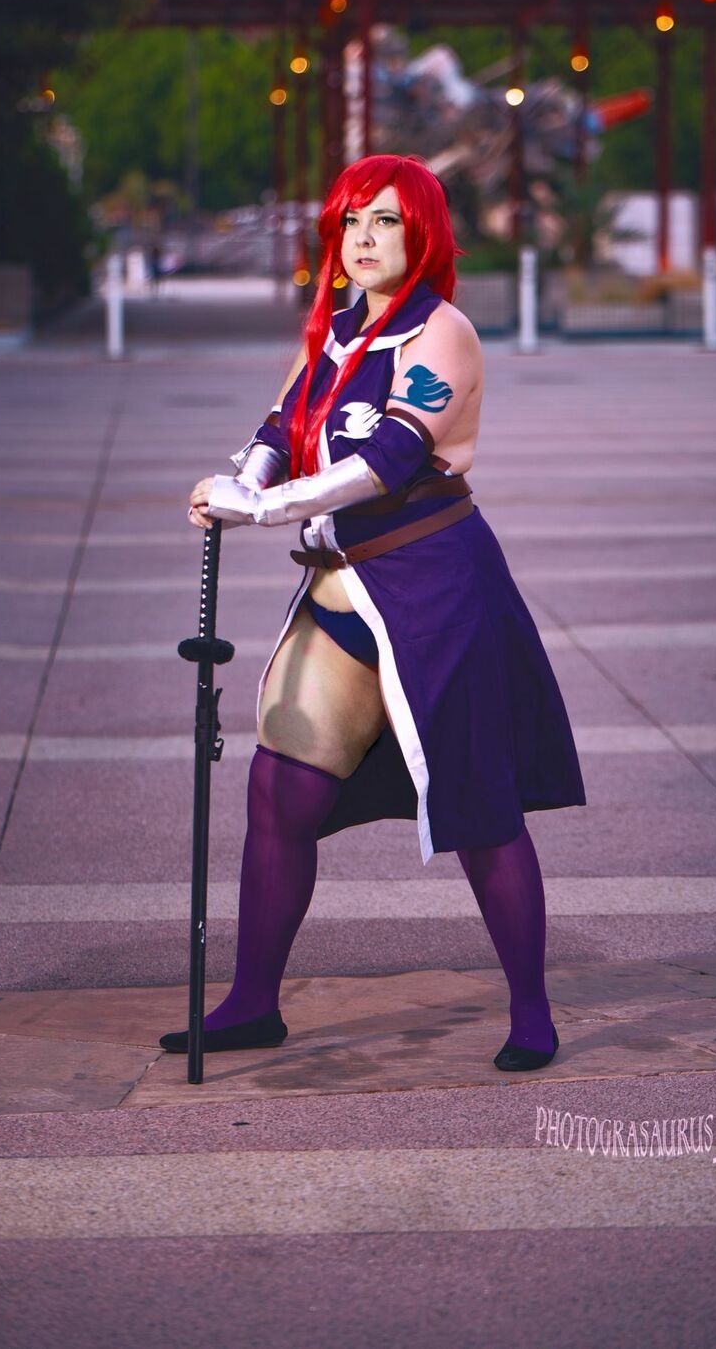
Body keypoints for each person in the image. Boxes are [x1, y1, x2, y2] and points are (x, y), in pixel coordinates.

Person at [160, 153, 585, 1072]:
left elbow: (385, 461)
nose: (362, 238)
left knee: (479, 806)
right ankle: (252, 1002)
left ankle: (531, 1010)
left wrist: (260, 508)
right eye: (350, 221)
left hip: (436, 594)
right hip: (340, 592)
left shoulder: (442, 332)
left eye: (384, 220)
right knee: (280, 791)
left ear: (421, 233)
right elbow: (281, 428)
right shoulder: (336, 329)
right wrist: (239, 481)